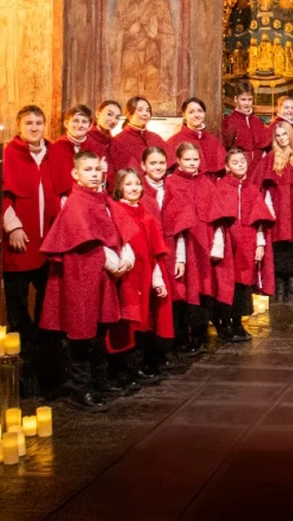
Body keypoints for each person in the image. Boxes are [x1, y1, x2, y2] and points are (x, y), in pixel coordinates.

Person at [39, 150, 136, 411]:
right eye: (88, 170)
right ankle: (80, 389)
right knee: (82, 334)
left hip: (101, 277)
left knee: (99, 332)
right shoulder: (76, 203)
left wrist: (125, 252)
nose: (94, 174)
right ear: (76, 174)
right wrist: (110, 259)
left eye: (97, 170)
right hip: (81, 277)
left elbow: (118, 229)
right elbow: (85, 239)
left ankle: (98, 383)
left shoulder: (101, 200)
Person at [165, 143, 233, 353]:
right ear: (178, 161)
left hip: (205, 240)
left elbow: (218, 216)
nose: (192, 164)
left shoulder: (206, 182)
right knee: (186, 289)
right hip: (185, 241)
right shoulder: (172, 183)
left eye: (195, 159)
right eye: (187, 160)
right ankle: (184, 334)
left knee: (205, 286)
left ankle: (200, 333)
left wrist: (218, 243)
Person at [105, 168, 169, 392]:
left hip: (144, 276)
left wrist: (157, 279)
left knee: (143, 323)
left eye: (137, 184)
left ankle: (136, 367)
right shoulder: (115, 211)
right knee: (125, 323)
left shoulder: (146, 215)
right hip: (125, 277)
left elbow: (154, 252)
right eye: (128, 184)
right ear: (119, 187)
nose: (134, 188)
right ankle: (120, 370)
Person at [3, 105, 60, 348]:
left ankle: (43, 350)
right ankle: (21, 350)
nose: (34, 127)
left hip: (48, 240)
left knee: (47, 300)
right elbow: (1, 195)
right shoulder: (9, 154)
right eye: (29, 123)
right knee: (17, 301)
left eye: (39, 122)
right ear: (19, 126)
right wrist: (13, 227)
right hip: (20, 240)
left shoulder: (53, 153)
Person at [140, 146, 194, 375]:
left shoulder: (172, 190)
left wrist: (181, 258)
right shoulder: (138, 191)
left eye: (162, 163)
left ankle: (163, 351)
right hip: (146, 255)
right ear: (143, 166)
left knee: (167, 304)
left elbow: (180, 228)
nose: (158, 168)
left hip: (170, 251)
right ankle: (146, 356)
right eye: (153, 163)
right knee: (147, 306)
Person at [217, 149, 275, 340]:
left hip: (247, 240)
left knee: (243, 282)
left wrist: (260, 244)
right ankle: (224, 322)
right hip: (228, 240)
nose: (241, 164)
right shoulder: (221, 187)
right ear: (227, 166)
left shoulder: (251, 188)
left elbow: (259, 220)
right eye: (235, 162)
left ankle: (238, 322)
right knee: (226, 281)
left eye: (243, 161)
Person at [256, 121, 293, 300]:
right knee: (278, 244)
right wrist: (268, 209)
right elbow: (264, 186)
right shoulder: (270, 158)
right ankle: (279, 284)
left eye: (284, 134)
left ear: (291, 136)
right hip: (277, 206)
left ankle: (292, 283)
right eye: (278, 135)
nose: (282, 138)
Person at [107, 96, 168, 179]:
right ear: (129, 114)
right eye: (140, 110)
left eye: (148, 110)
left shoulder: (155, 137)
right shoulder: (118, 141)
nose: (145, 113)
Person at [167, 98, 226, 179]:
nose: (197, 115)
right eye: (191, 112)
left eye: (200, 111)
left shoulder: (212, 140)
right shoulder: (175, 140)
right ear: (184, 115)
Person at [221, 82, 271, 170]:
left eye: (249, 99)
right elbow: (226, 147)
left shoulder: (257, 121)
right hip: (239, 166)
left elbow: (265, 145)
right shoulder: (230, 121)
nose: (247, 103)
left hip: (258, 167)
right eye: (243, 99)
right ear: (236, 99)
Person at [48, 105, 95, 200]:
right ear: (66, 123)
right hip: (66, 199)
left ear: (90, 126)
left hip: (91, 196)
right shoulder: (57, 148)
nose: (80, 125)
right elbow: (57, 182)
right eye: (75, 121)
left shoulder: (95, 147)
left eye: (84, 121)